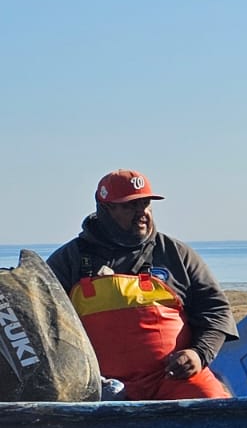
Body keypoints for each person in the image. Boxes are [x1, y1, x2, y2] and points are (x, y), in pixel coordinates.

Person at [46, 169, 236, 400]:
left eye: (145, 204)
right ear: (105, 209)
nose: (142, 213)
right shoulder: (69, 260)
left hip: (173, 380)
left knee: (213, 404)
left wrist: (198, 354)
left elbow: (216, 311)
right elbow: (43, 327)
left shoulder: (176, 254)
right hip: (97, 386)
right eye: (130, 206)